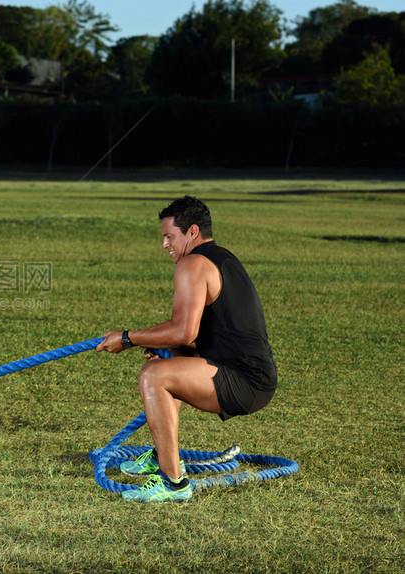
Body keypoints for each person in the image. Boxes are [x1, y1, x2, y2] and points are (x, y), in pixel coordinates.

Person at [96, 195, 277, 503]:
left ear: (191, 232)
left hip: (244, 380)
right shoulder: (221, 258)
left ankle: (172, 483)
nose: (165, 244)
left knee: (153, 377)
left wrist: (128, 337)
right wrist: (165, 347)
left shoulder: (192, 264)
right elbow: (193, 337)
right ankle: (163, 456)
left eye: (169, 236)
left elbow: (183, 330)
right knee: (165, 363)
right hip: (252, 376)